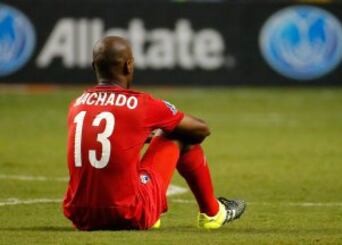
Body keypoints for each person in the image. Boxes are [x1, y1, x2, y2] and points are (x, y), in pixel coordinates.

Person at [63, 36, 246, 230]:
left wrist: (141, 135)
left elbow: (107, 140)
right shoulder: (141, 105)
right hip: (129, 213)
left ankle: (153, 209)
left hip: (81, 216)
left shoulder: (77, 105)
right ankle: (213, 213)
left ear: (94, 67)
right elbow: (201, 130)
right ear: (128, 66)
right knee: (179, 133)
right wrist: (162, 130)